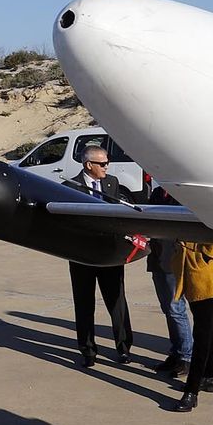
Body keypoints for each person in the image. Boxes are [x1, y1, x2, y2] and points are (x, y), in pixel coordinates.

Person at [62, 147, 133, 367]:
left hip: (109, 255)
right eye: (102, 164)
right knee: (84, 304)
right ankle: (88, 350)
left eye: (106, 163)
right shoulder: (69, 186)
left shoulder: (111, 183)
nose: (106, 167)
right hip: (82, 257)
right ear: (88, 165)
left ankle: (123, 348)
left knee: (117, 302)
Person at [170, 242, 213, 413]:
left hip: (206, 269)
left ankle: (191, 391)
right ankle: (209, 377)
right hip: (195, 267)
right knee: (205, 324)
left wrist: (207, 255)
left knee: (201, 332)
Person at [145, 187, 193, 378]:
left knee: (176, 309)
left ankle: (186, 357)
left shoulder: (183, 194)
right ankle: (175, 353)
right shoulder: (157, 193)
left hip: (173, 259)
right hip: (157, 258)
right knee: (168, 309)